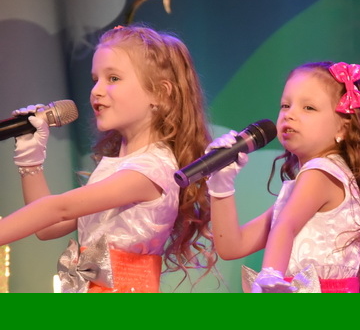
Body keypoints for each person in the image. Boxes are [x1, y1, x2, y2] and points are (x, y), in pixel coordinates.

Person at [0, 24, 211, 291]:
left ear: (160, 93)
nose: (96, 91)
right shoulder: (115, 168)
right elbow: (47, 227)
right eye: (95, 79)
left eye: (113, 78)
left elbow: (58, 208)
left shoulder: (152, 170)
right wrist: (31, 161)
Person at [207, 61, 360, 292]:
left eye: (309, 108)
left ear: (343, 128)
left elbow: (286, 226)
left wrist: (270, 276)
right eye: (285, 105)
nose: (290, 115)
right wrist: (221, 185)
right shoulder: (314, 177)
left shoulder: (321, 171)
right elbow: (232, 246)